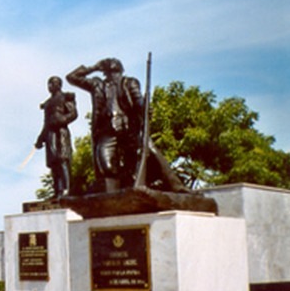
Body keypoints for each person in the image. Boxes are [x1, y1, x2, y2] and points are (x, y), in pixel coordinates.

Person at [66, 58, 188, 193]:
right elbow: (72, 77)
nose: (113, 76)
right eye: (110, 72)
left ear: (120, 71)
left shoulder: (130, 83)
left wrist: (144, 109)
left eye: (115, 72)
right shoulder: (97, 84)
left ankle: (176, 186)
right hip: (107, 131)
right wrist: (93, 67)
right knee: (106, 166)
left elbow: (138, 101)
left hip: (128, 129)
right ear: (105, 73)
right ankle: (119, 191)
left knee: (151, 149)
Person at [35, 76, 78, 198]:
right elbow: (46, 123)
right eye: (48, 84)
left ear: (59, 85)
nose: (49, 86)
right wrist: (40, 138)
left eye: (52, 84)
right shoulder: (48, 104)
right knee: (53, 163)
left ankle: (66, 189)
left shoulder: (66, 97)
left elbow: (73, 113)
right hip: (50, 134)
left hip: (61, 131)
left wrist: (61, 120)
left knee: (62, 159)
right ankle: (57, 191)